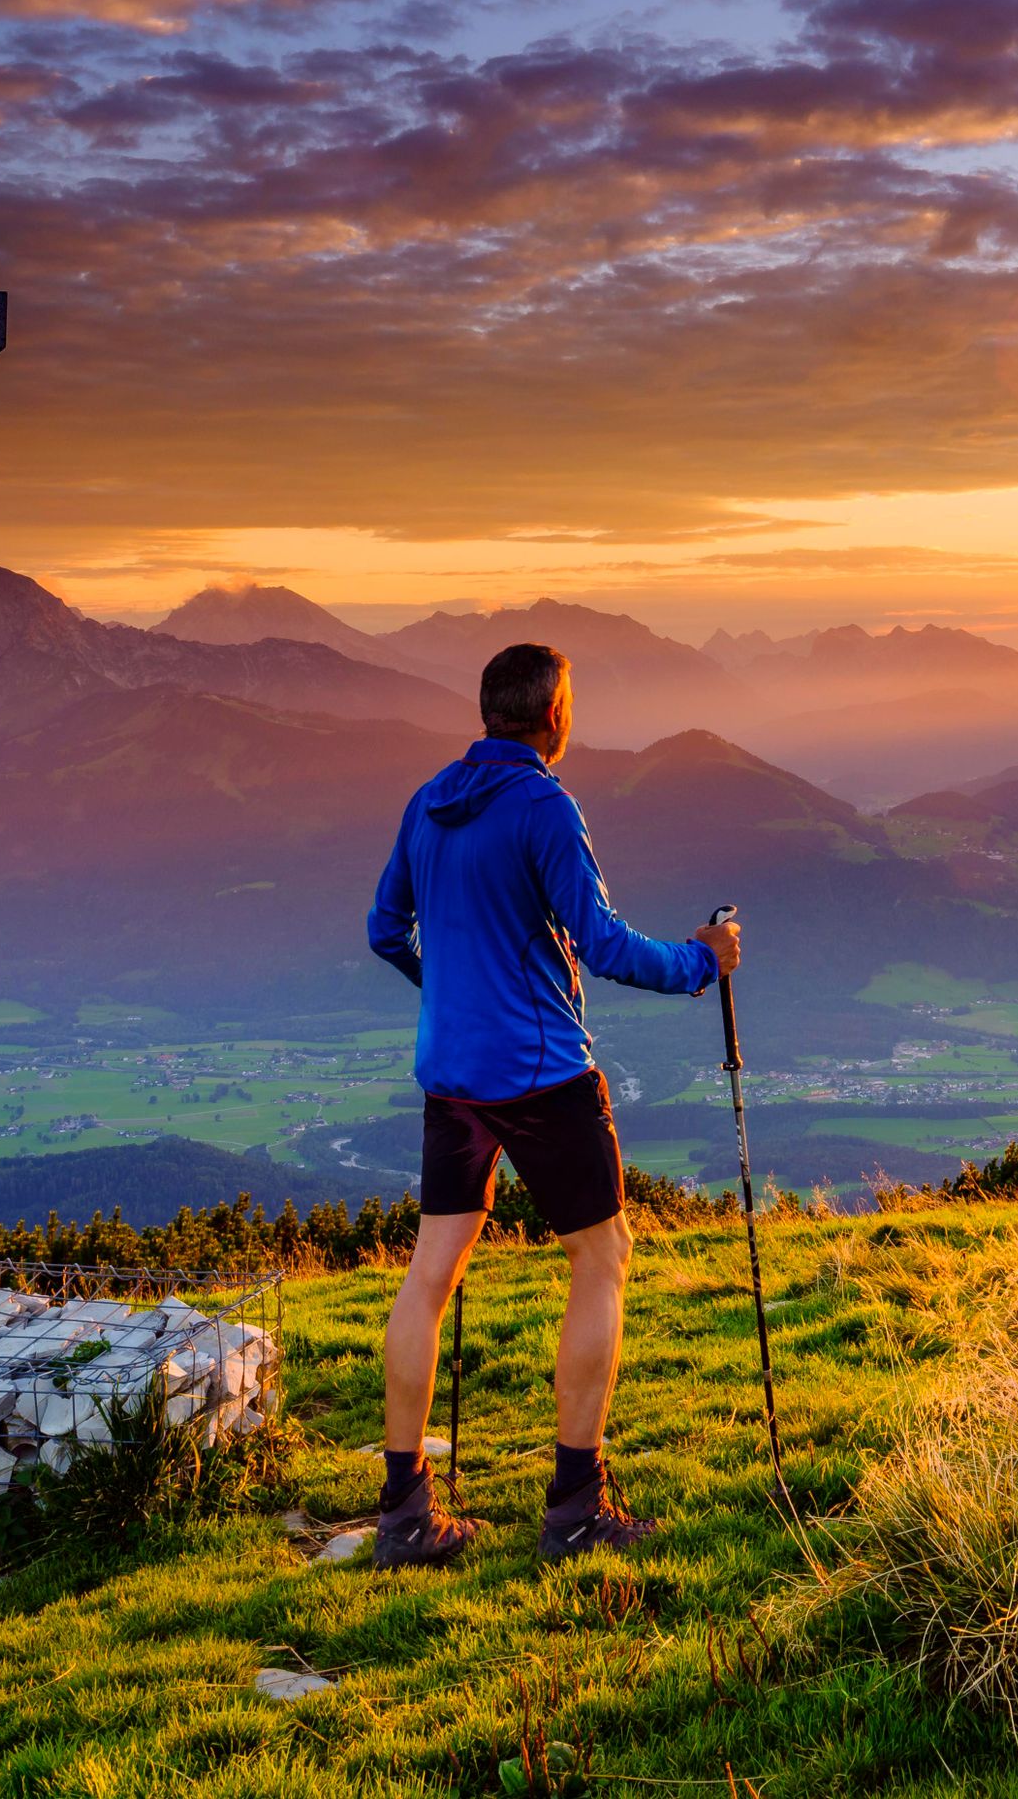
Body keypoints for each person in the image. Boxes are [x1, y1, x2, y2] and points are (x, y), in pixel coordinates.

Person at [361, 638, 742, 1566]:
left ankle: (403, 1514)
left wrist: (452, 990)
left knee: (429, 1275)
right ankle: (574, 1507)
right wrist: (704, 959)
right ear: (554, 715)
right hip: (540, 1073)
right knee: (602, 1256)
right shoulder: (543, 804)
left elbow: (386, 930)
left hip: (450, 1075)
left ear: (487, 712)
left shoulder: (428, 802)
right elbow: (604, 944)